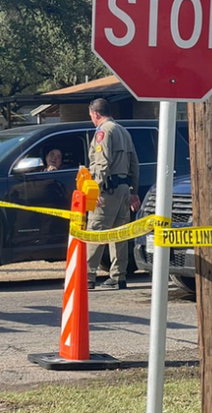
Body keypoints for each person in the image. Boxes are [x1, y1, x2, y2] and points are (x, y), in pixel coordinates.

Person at [85, 98, 140, 290]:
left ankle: (87, 277)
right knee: (119, 234)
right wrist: (133, 190)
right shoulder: (123, 131)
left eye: (91, 115)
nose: (92, 119)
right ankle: (118, 276)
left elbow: (102, 162)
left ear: (96, 114)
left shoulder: (103, 131)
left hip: (107, 190)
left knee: (96, 231)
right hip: (123, 188)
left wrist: (96, 189)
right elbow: (134, 163)